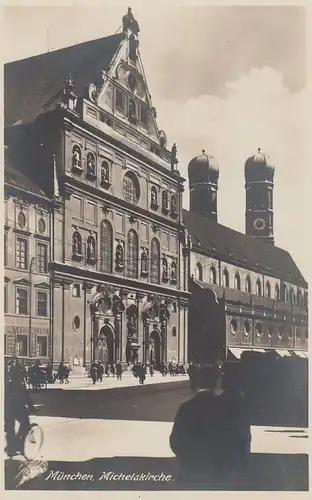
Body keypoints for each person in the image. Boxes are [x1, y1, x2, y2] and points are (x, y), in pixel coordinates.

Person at [170, 361, 251, 488]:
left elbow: (175, 441)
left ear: (196, 383)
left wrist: (187, 460)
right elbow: (238, 438)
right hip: (219, 472)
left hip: (192, 472)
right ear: (216, 383)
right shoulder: (224, 405)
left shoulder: (186, 406)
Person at [5, 358, 37, 456]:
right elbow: (27, 398)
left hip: (8, 409)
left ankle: (11, 447)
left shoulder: (8, 386)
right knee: (25, 423)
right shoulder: (20, 385)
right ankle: (18, 444)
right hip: (18, 409)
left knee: (10, 427)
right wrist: (32, 407)